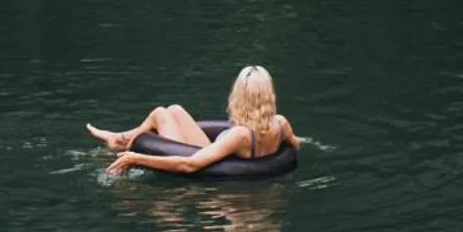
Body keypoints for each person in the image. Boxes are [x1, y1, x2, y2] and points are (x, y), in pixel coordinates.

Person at [86, 65, 301, 176]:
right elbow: (296, 144)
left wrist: (137, 159)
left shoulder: (240, 135)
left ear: (240, 95)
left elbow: (189, 165)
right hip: (219, 151)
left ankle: (122, 143)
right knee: (176, 110)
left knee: (161, 113)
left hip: (199, 159)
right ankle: (120, 139)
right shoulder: (281, 124)